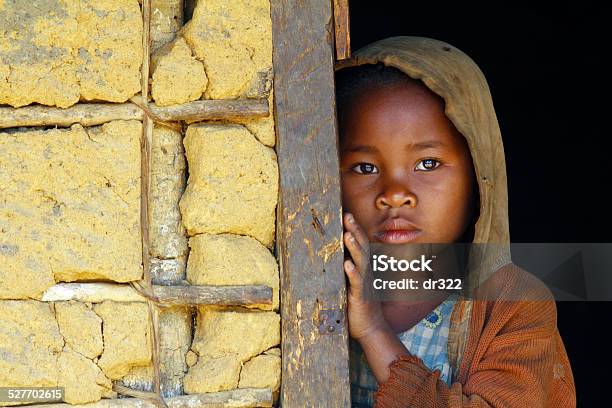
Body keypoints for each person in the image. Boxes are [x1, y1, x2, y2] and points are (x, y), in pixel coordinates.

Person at [336, 37, 576, 407]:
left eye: (427, 164)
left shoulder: (512, 304)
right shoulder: (319, 286)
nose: (395, 193)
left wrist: (372, 330)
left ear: (479, 177)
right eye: (365, 168)